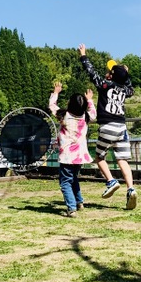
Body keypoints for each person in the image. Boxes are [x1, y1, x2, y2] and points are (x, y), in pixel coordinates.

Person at [78, 44, 137, 210]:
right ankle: (130, 188)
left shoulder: (104, 84)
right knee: (122, 160)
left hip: (107, 126)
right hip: (121, 128)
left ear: (110, 76)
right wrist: (125, 74)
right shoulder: (126, 90)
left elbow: (91, 72)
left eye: (110, 72)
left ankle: (111, 181)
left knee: (99, 157)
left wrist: (83, 56)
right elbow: (131, 87)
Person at [49, 82, 96, 218]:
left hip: (67, 156)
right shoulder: (85, 117)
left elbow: (52, 106)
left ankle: (71, 208)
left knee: (65, 182)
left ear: (70, 104)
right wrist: (90, 99)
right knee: (73, 178)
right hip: (79, 156)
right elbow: (93, 113)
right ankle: (79, 202)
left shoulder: (64, 115)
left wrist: (56, 92)